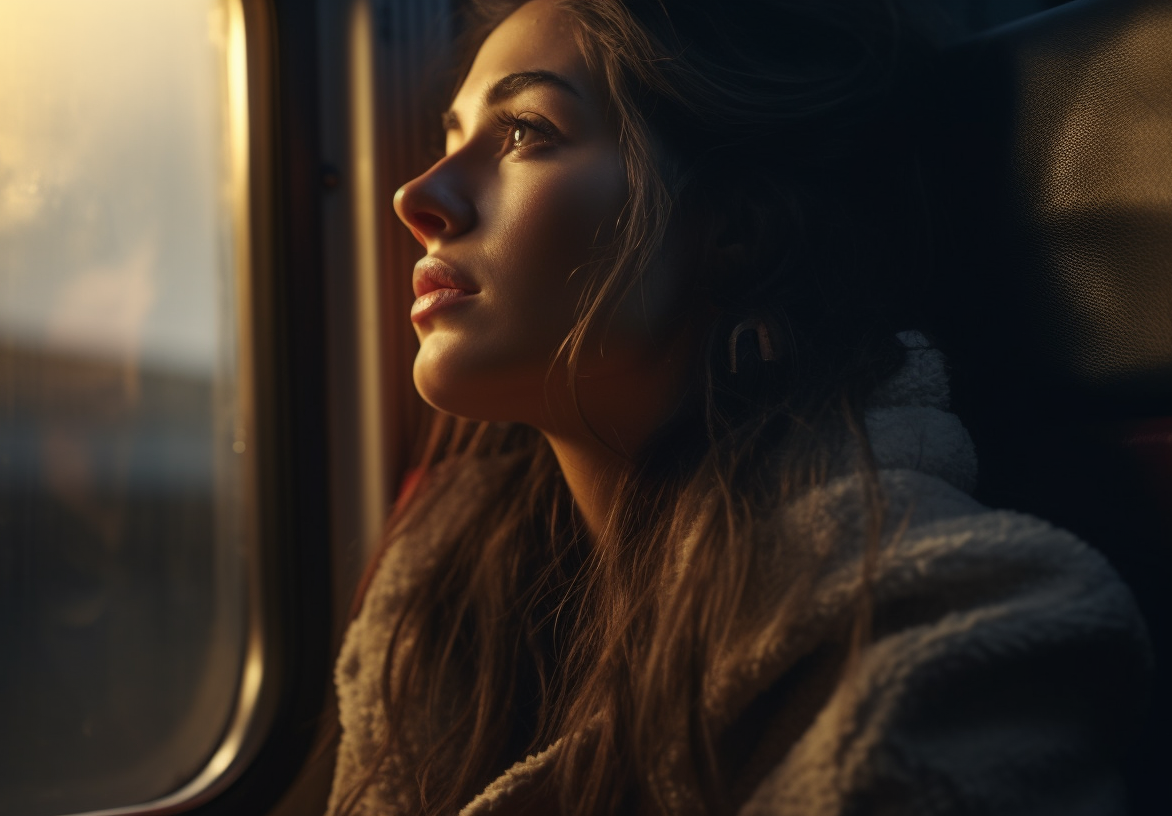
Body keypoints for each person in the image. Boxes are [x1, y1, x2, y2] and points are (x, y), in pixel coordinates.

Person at [327, 1, 1151, 814]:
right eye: (451, 135)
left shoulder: (931, 630)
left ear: (735, 230)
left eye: (524, 132)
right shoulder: (441, 622)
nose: (419, 195)